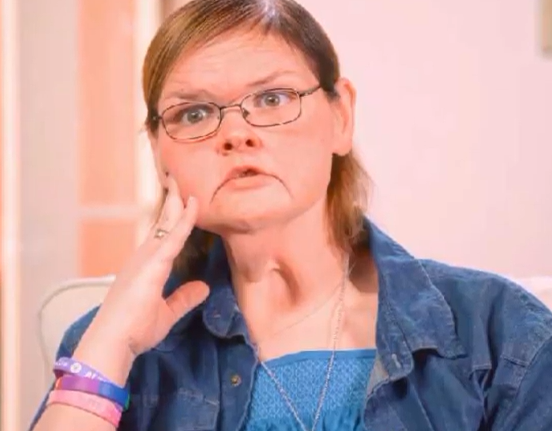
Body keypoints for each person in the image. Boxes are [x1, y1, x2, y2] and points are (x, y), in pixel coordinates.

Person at [30, 0, 552, 430]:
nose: (236, 134)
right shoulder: (109, 348)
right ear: (158, 152)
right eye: (194, 113)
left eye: (272, 98)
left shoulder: (501, 334)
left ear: (341, 116)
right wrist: (108, 349)